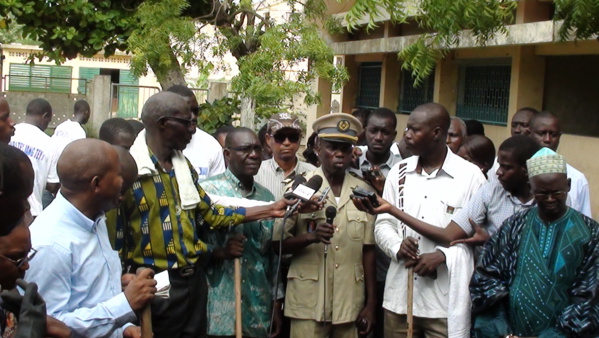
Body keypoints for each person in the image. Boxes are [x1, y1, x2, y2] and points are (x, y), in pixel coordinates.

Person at [109, 91, 292, 337]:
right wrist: (119, 278)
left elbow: (211, 213)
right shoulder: (131, 169)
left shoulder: (184, 168)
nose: (192, 129)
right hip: (156, 280)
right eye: (186, 122)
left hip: (193, 281)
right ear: (164, 124)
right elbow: (114, 234)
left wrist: (269, 209)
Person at [373, 103, 486, 337]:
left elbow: (479, 238)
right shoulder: (399, 172)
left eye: (415, 130)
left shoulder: (470, 176)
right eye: (407, 129)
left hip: (444, 305)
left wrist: (444, 256)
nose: (407, 135)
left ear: (436, 133)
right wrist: (397, 246)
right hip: (399, 300)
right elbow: (383, 223)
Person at [24, 139, 156, 337]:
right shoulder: (51, 244)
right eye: (118, 175)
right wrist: (125, 303)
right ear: (96, 184)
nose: (124, 183)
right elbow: (50, 324)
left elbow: (86, 299)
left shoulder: (95, 219)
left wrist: (121, 329)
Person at [470, 148, 599, 337]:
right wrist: (503, 332)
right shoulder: (513, 227)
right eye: (542, 193)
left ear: (569, 185)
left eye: (557, 192)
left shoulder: (590, 233)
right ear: (531, 188)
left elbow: (590, 297)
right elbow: (486, 279)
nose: (550, 199)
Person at [274, 113, 376, 338]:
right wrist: (310, 237)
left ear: (353, 153)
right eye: (332, 147)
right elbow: (277, 243)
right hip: (307, 302)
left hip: (349, 303)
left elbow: (368, 250)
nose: (339, 154)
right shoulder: (300, 188)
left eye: (345, 148)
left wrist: (371, 303)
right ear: (318, 148)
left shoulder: (364, 192)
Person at [354, 135, 540, 258]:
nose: (498, 173)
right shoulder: (490, 192)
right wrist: (392, 210)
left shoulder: (547, 202)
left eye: (506, 167)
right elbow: (449, 235)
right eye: (499, 165)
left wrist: (493, 241)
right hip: (495, 293)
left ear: (525, 170)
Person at [200, 128, 282, 337]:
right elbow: (190, 245)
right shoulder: (207, 192)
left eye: (257, 149)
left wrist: (275, 302)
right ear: (227, 155)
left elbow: (271, 258)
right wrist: (220, 252)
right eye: (245, 149)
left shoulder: (268, 197)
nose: (254, 155)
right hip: (218, 307)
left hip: (257, 308)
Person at [348, 107, 402, 338]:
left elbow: (406, 213)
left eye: (385, 132)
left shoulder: (405, 168)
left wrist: (382, 190)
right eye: (373, 131)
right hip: (353, 260)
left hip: (388, 263)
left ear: (394, 134)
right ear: (364, 132)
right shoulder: (351, 157)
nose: (379, 138)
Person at [529, 111, 591, 218]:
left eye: (553, 134)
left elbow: (585, 224)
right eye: (542, 133)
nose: (547, 139)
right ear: (529, 133)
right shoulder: (513, 172)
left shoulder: (578, 179)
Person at [9, 98, 59, 217]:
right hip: (32, 213)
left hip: (6, 209)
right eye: (49, 121)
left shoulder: (10, 132)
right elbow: (52, 185)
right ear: (45, 116)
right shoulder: (50, 144)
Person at [167, 85, 226, 181]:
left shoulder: (211, 146)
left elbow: (217, 190)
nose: (193, 117)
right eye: (186, 111)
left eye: (196, 111)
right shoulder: (150, 146)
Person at [255, 112, 316, 200]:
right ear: (268, 139)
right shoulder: (256, 173)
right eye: (280, 137)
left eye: (293, 137)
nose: (287, 143)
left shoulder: (313, 173)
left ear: (300, 138)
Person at [488, 107, 539, 182]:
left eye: (524, 125)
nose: (517, 130)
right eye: (514, 125)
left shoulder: (543, 159)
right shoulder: (500, 159)